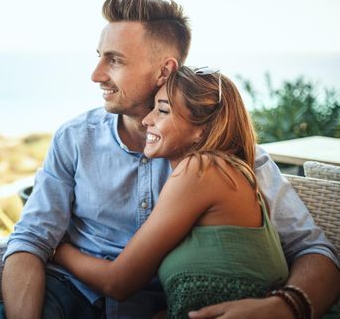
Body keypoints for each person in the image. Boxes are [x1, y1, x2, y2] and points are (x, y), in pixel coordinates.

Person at [0, 0, 340, 319]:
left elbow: (314, 252)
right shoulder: (74, 138)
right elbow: (30, 241)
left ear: (164, 71)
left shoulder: (228, 155)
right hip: (69, 294)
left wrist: (284, 307)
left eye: (114, 60)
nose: (96, 74)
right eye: (99, 55)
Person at [52, 66, 290, 318]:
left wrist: (57, 249)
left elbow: (118, 282)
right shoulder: (221, 171)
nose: (147, 120)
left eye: (163, 110)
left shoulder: (201, 170)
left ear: (202, 129)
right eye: (153, 107)